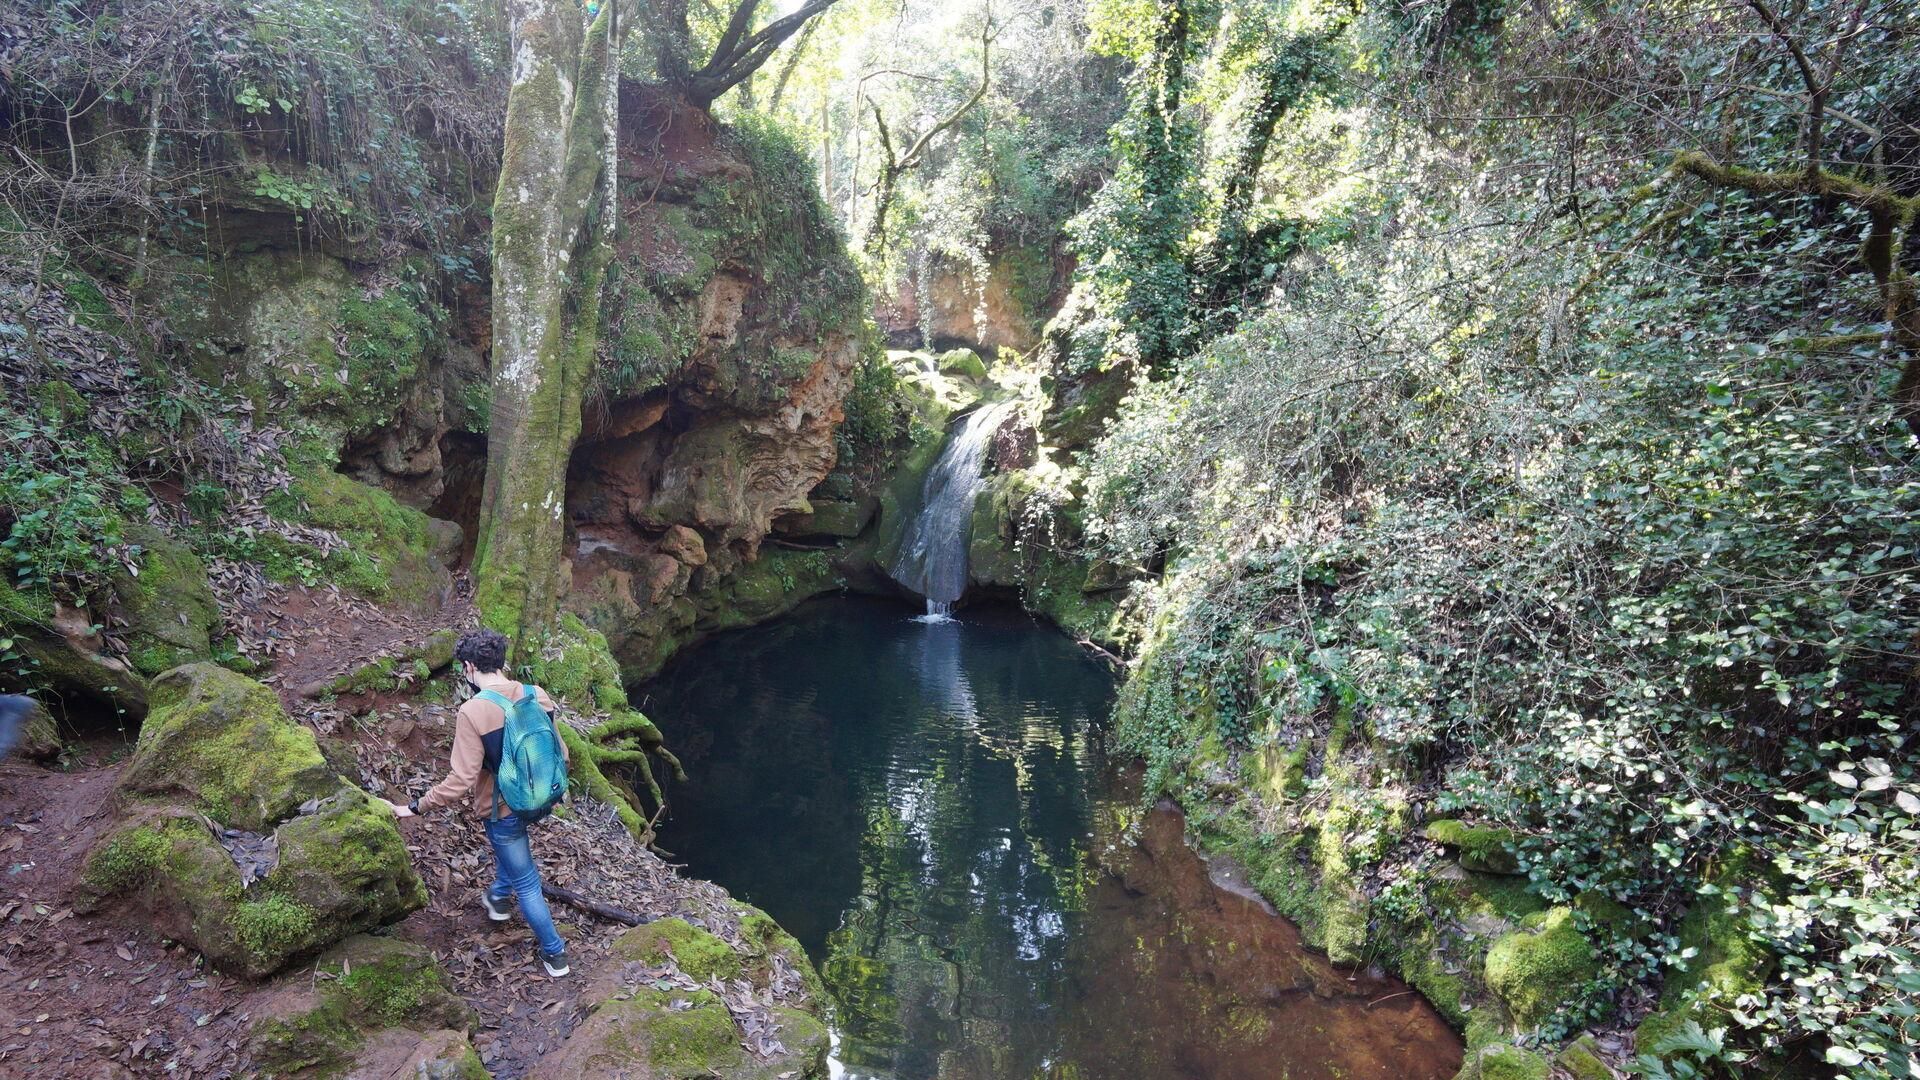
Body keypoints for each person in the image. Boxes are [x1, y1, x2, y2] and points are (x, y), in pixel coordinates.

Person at [389, 628, 571, 977]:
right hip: (542, 796)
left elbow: (461, 780)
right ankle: (498, 899)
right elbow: (560, 752)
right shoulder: (536, 694)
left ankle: (555, 953)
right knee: (513, 855)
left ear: (469, 667)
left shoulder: (473, 711)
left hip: (502, 809)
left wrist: (413, 807)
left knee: (527, 883)